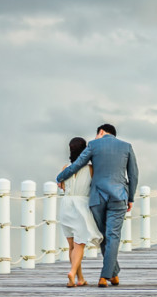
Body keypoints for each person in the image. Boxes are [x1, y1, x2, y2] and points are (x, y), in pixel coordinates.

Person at [56, 123, 138, 287]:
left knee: (103, 236)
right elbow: (133, 174)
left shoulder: (93, 145)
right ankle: (106, 275)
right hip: (119, 196)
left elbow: (78, 164)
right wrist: (130, 198)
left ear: (101, 132)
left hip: (97, 197)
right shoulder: (127, 146)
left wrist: (60, 177)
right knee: (113, 235)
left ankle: (111, 274)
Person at [58, 137, 103, 287]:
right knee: (80, 244)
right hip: (80, 206)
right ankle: (72, 272)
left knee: (71, 245)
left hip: (66, 205)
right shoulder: (90, 169)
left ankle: (80, 278)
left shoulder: (65, 168)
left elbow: (63, 187)